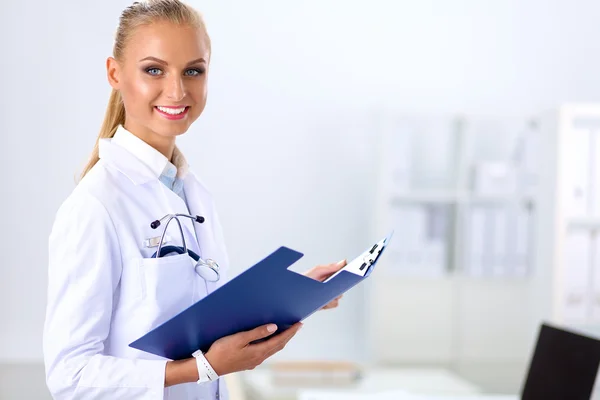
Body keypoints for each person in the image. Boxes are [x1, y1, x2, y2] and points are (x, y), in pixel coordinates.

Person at [42, 1, 346, 399]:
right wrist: (199, 368)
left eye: (193, 71)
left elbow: (202, 318)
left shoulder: (191, 191)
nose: (177, 90)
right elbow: (69, 374)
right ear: (114, 73)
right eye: (154, 70)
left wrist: (290, 297)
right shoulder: (95, 206)